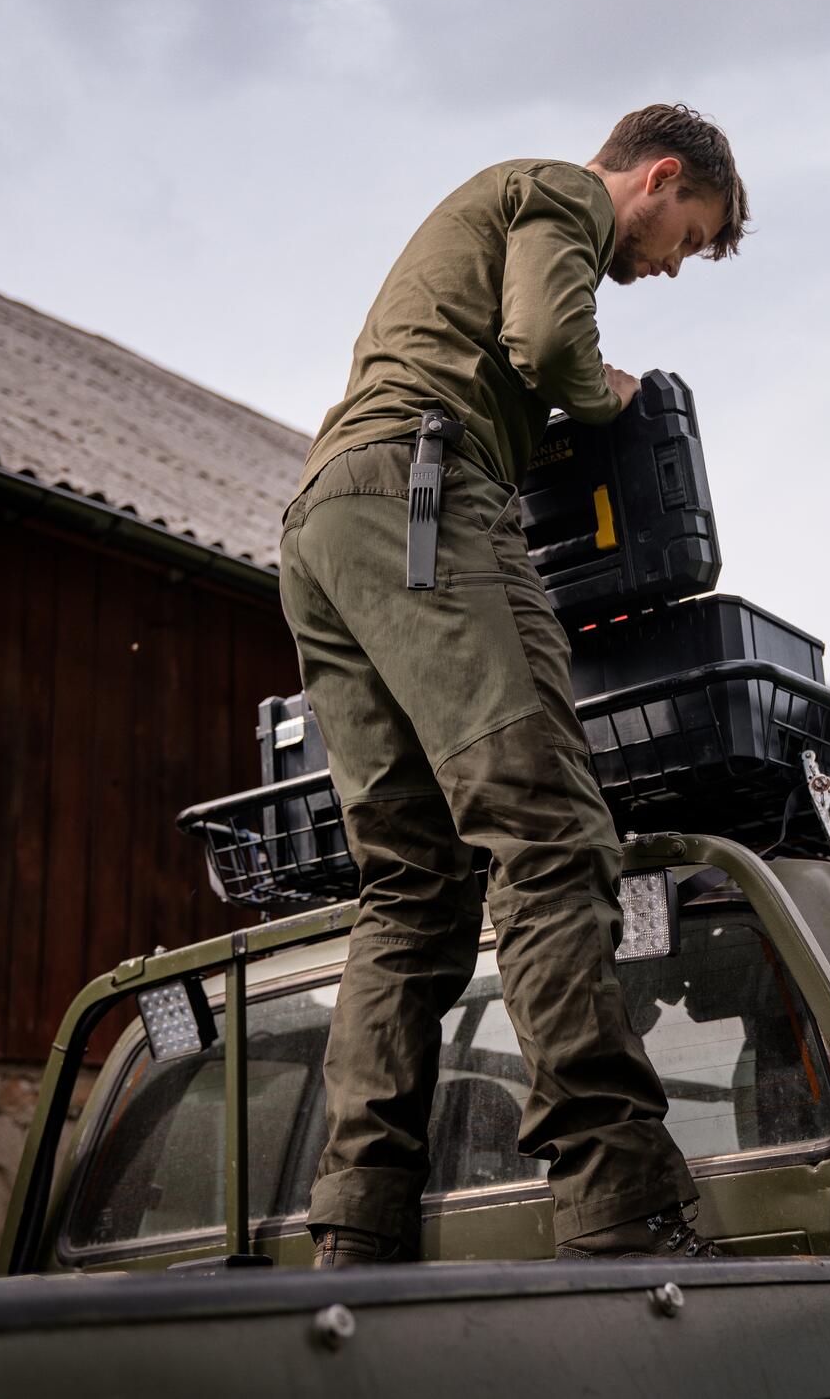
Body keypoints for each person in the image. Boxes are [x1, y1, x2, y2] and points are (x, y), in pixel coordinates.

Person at [279, 103, 748, 1266]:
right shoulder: (559, 193)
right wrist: (609, 393)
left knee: (411, 889)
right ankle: (621, 1197)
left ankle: (358, 1218)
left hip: (323, 525)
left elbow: (500, 360)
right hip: (425, 506)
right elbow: (546, 341)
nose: (671, 262)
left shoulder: (481, 225)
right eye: (688, 235)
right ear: (659, 175)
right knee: (546, 833)